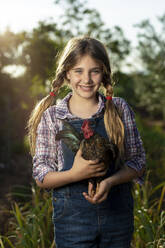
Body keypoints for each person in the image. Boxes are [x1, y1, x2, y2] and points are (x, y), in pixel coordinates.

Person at [28, 36, 146, 248]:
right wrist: (76, 174)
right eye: (78, 71)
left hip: (118, 218)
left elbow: (137, 162)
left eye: (95, 71)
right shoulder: (53, 116)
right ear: (67, 74)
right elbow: (40, 174)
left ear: (104, 73)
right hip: (72, 222)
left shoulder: (119, 109)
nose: (87, 79)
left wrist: (110, 181)